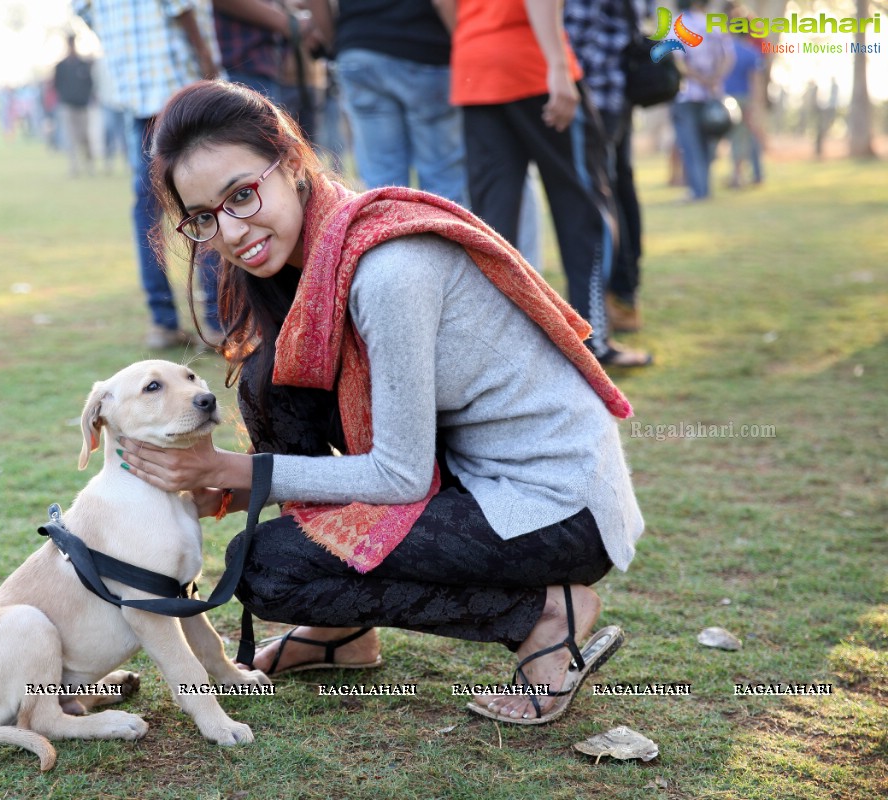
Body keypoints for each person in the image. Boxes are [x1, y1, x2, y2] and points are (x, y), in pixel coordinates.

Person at [120, 80, 643, 725]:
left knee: (267, 566)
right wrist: (229, 484)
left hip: (556, 508)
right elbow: (307, 421)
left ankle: (544, 615)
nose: (230, 231)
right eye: (204, 216)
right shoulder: (308, 264)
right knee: (266, 374)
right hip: (469, 481)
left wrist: (230, 472)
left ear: (288, 161)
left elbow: (396, 474)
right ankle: (340, 634)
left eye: (242, 194)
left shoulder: (387, 270)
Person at [443, 0, 650, 366]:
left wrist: (476, 40)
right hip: (533, 63)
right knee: (586, 206)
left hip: (475, 66)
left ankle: (496, 351)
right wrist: (557, 65)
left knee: (492, 220)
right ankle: (591, 341)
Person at [74, 0, 224, 349]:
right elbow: (182, 5)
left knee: (147, 210)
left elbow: (83, 10)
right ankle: (217, 321)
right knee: (205, 202)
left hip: (135, 95)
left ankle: (162, 321)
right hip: (183, 92)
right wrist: (207, 61)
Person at [310, 0, 467, 205]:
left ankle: (387, 233)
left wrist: (336, 44)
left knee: (382, 182)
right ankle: (449, 234)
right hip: (425, 48)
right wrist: (464, 48)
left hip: (359, 46)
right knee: (442, 178)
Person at [564, 0, 644, 331]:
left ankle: (600, 311)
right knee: (618, 187)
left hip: (592, 92)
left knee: (597, 196)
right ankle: (623, 297)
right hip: (618, 92)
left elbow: (576, 34)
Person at [670, 0, 734, 201]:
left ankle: (698, 191)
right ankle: (704, 189)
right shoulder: (716, 24)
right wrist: (714, 79)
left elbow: (678, 61)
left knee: (691, 145)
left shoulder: (680, 24)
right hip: (712, 95)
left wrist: (700, 79)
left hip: (687, 94)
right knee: (707, 145)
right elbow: (728, 58)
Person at [723, 17, 764, 188]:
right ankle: (738, 175)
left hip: (722, 99)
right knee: (741, 137)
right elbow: (755, 81)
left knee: (721, 138)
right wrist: (755, 104)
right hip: (743, 98)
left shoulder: (724, 49)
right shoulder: (751, 52)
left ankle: (736, 176)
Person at [52, 33, 97, 178]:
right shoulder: (61, 66)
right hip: (68, 105)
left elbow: (90, 84)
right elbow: (56, 85)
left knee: (85, 136)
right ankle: (74, 167)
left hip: (82, 106)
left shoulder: (83, 64)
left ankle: (89, 165)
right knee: (70, 137)